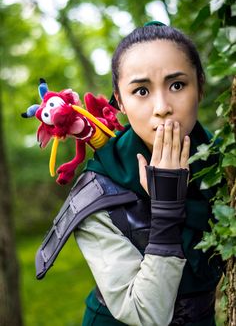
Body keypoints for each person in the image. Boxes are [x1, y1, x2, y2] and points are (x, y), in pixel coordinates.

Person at [36, 21, 223, 325]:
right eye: (141, 91)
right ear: (120, 101)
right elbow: (146, 314)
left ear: (200, 86)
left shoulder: (223, 162)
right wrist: (167, 207)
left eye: (177, 85)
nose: (162, 107)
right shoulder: (97, 191)